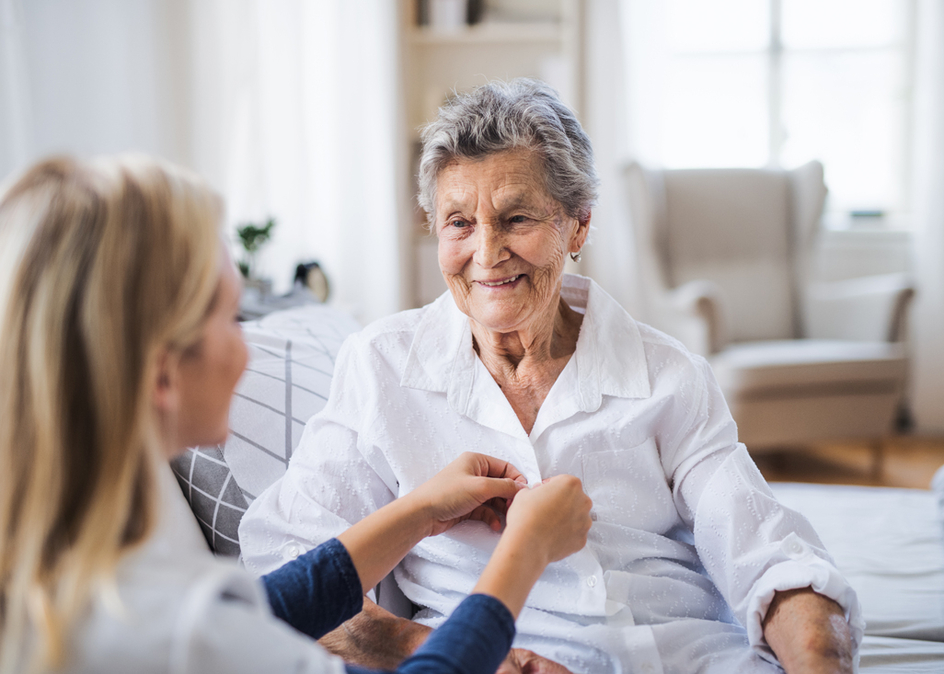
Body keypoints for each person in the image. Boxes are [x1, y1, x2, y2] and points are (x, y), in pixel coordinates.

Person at [239, 79, 864, 674]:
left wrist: (814, 657)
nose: (486, 254)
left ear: (579, 225)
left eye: (517, 219)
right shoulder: (382, 367)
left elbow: (770, 557)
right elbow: (286, 563)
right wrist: (423, 647)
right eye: (459, 222)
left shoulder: (668, 375)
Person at [0, 155, 594, 674]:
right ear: (161, 372)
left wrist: (416, 510)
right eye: (232, 319)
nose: (248, 349)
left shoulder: (74, 579)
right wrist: (526, 550)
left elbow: (261, 611)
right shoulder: (175, 632)